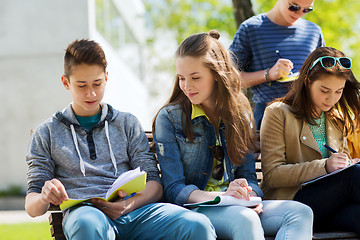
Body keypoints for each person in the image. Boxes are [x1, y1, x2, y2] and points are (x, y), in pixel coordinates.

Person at [25, 39, 216, 240]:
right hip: (87, 215)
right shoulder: (46, 133)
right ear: (66, 82)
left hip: (135, 212)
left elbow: (154, 184)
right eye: (81, 85)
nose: (91, 93)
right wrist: (44, 197)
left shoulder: (126, 123)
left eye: (97, 84)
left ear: (106, 78)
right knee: (87, 222)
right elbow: (32, 205)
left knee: (197, 225)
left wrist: (126, 206)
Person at [153, 30, 313, 240]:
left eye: (195, 77)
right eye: (181, 78)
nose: (186, 86)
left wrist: (249, 195)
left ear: (217, 75)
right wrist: (221, 197)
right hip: (195, 209)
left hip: (237, 206)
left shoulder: (241, 114)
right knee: (245, 218)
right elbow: (174, 189)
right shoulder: (170, 118)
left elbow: (248, 176)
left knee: (300, 213)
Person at [260, 46, 360, 233]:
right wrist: (325, 166)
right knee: (356, 175)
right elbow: (273, 175)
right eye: (324, 90)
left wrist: (346, 164)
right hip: (291, 203)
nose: (331, 99)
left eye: (339, 91)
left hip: (329, 207)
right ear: (306, 81)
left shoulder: (337, 117)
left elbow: (342, 165)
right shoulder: (278, 113)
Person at [229, 0, 325, 130]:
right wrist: (268, 74)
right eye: (294, 7)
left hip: (308, 116)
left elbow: (324, 76)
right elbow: (229, 79)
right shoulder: (250, 28)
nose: (299, 13)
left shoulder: (314, 31)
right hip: (268, 115)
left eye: (307, 9)